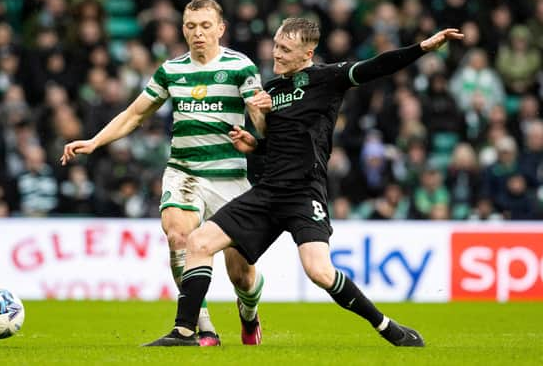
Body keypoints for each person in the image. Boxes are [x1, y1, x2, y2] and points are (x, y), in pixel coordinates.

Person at [144, 18, 463, 347]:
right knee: (197, 243)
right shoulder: (271, 90)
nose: (276, 54)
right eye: (275, 45)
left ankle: (387, 327)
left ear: (307, 53)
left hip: (304, 193)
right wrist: (253, 143)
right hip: (267, 193)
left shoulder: (328, 78)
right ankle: (184, 332)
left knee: (319, 272)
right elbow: (279, 143)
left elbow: (377, 66)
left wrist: (423, 47)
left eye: (285, 49)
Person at [60, 0, 272, 346]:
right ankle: (201, 329)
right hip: (184, 173)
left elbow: (262, 125)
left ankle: (249, 317)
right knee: (178, 236)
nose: (198, 33)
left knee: (242, 274)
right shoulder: (171, 70)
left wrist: (261, 117)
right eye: (191, 27)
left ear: (220, 28)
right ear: (183, 30)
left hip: (229, 178)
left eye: (205, 26)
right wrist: (95, 141)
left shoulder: (241, 67)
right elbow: (134, 114)